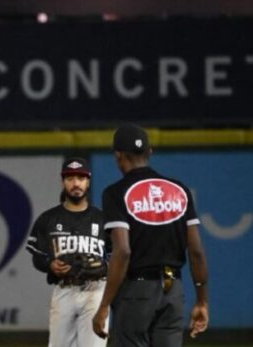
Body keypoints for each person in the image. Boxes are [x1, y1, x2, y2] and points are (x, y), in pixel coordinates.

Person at [92, 124, 210, 346]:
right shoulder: (179, 190)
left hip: (136, 292)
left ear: (118, 156)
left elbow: (123, 251)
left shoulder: (116, 193)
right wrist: (202, 301)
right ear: (150, 152)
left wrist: (105, 304)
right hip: (173, 290)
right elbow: (196, 251)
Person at [26, 158, 110, 347]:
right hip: (63, 290)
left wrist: (105, 266)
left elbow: (116, 257)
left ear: (88, 182)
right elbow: (37, 256)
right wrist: (49, 264)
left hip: (95, 291)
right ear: (63, 182)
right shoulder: (47, 219)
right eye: (70, 178)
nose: (76, 183)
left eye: (81, 178)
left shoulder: (103, 219)